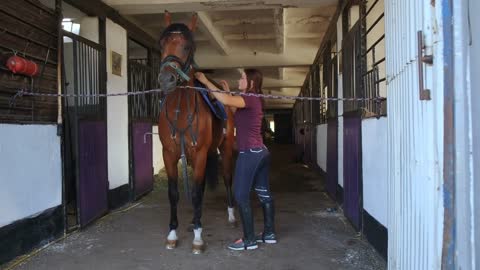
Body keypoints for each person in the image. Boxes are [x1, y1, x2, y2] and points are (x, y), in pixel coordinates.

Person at [195, 69, 276, 251]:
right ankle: (269, 234)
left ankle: (249, 240)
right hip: (260, 153)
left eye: (243, 78)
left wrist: (206, 81)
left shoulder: (251, 98)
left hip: (250, 153)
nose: (240, 80)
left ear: (251, 83)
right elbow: (230, 106)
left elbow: (224, 102)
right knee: (263, 193)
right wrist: (228, 93)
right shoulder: (249, 99)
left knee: (240, 195)